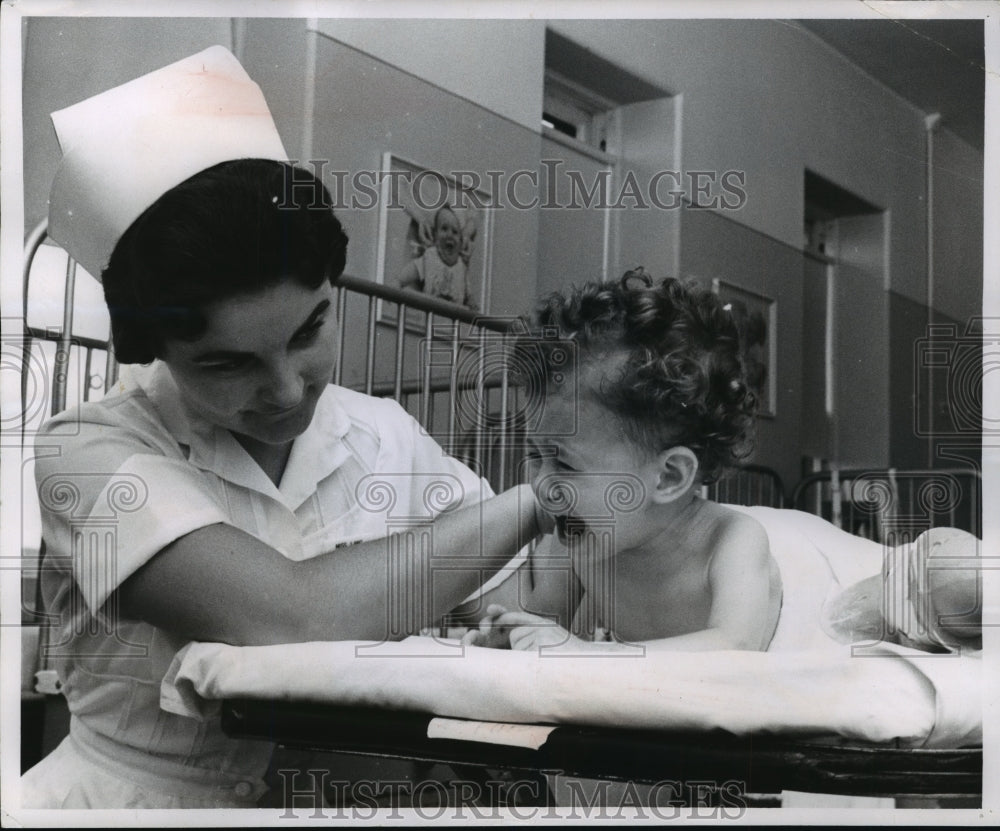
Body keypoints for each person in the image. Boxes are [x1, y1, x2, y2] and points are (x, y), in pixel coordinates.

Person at [22, 46, 543, 809]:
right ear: (155, 348)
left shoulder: (384, 434)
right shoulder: (88, 451)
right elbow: (287, 617)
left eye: (308, 332)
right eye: (229, 364)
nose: (287, 389)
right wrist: (534, 500)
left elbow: (515, 593)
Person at [461, 269, 783, 653]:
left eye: (564, 464)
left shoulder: (731, 541)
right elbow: (547, 628)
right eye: (535, 454)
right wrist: (512, 638)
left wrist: (587, 654)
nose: (541, 484)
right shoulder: (579, 541)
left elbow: (735, 651)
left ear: (668, 477)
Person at [398, 205, 474, 307]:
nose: (449, 234)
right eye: (444, 228)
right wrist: (397, 284)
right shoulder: (429, 258)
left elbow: (469, 295)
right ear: (435, 235)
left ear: (461, 241)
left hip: (453, 319)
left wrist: (472, 304)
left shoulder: (462, 267)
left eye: (455, 232)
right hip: (430, 314)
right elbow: (403, 278)